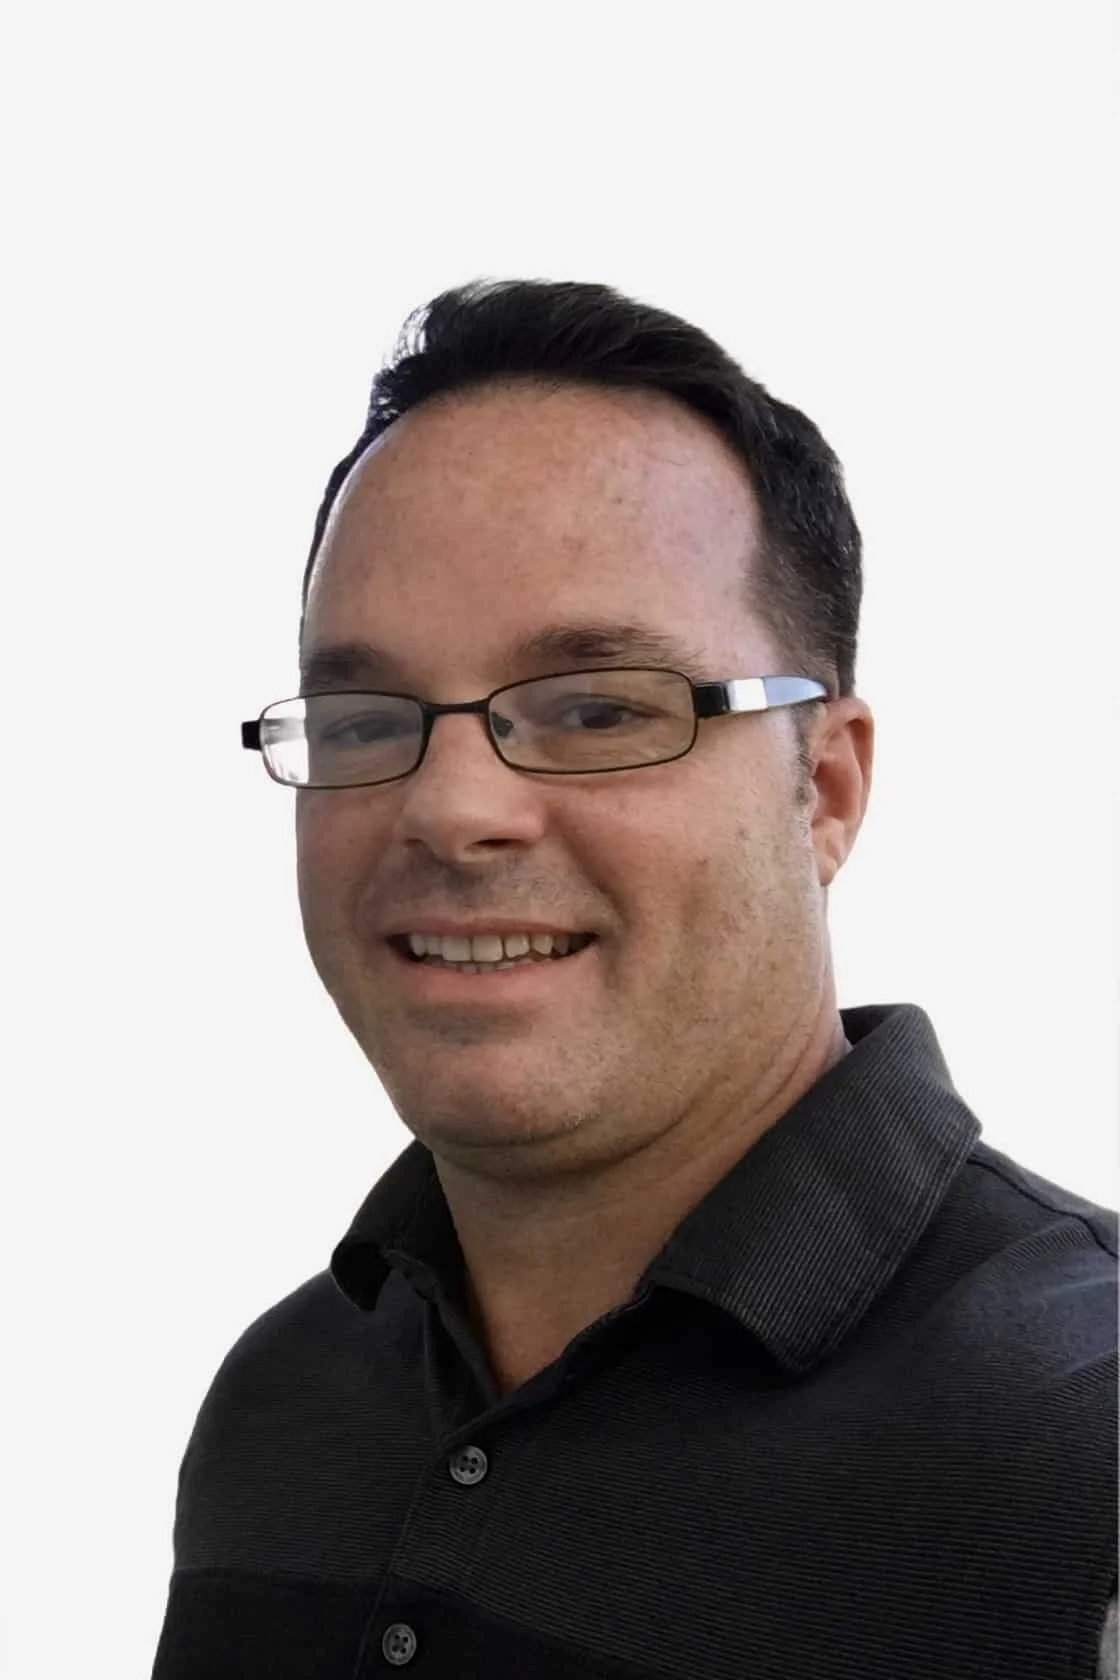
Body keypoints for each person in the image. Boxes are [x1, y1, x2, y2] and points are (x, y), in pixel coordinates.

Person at [151, 280, 1117, 1679]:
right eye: (365, 720)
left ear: (826, 787)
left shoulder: (1084, 1453)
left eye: (598, 708)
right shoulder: (288, 1399)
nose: (452, 810)